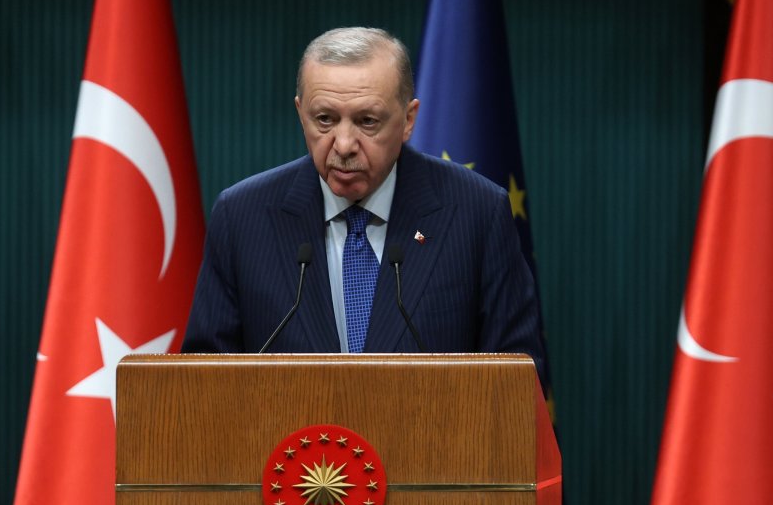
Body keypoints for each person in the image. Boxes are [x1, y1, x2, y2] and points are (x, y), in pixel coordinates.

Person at [182, 27, 541, 369]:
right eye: (324, 119)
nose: (343, 145)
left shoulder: (476, 213)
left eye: (367, 121)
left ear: (408, 119)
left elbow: (515, 380)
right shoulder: (244, 217)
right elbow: (204, 383)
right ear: (299, 113)